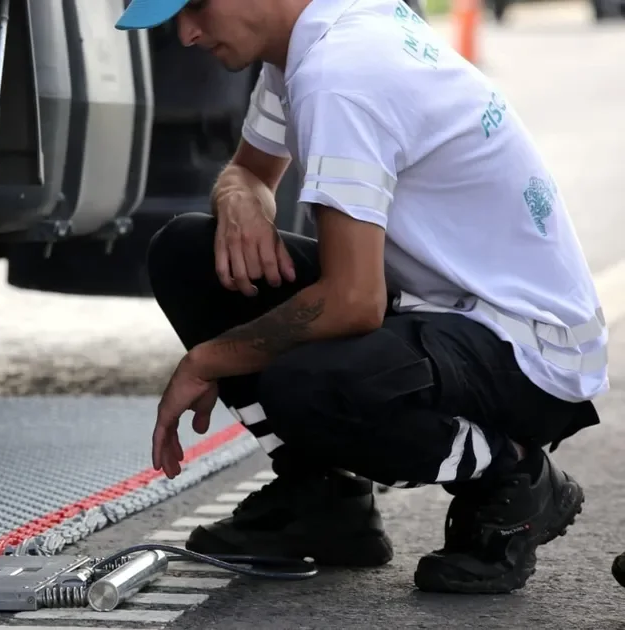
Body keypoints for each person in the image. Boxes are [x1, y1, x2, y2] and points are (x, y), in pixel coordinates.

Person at [116, 0, 606, 594]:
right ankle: (324, 499)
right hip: (438, 304)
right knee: (188, 254)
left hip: (527, 349)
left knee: (309, 384)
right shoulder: (307, 41)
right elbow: (251, 171)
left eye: (195, 5)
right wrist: (239, 195)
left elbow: (352, 301)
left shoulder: (340, 74)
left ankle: (514, 477)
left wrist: (207, 360)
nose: (187, 33)